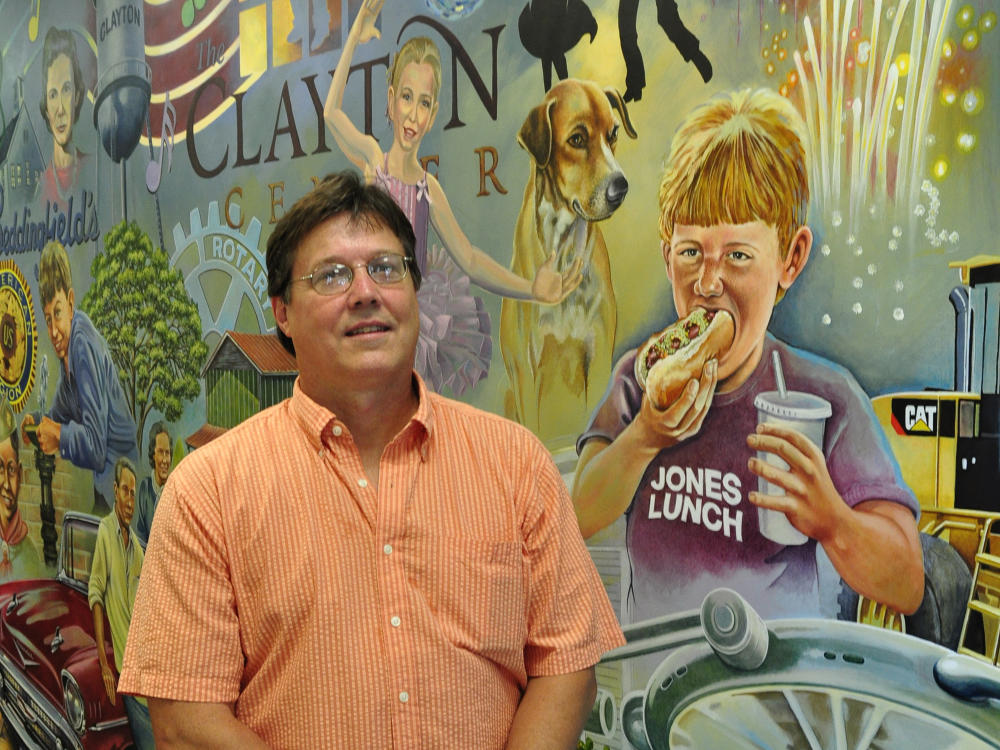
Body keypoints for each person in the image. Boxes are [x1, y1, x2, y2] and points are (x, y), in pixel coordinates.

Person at [118, 171, 624, 749]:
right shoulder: (206, 491)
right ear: (282, 312)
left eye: (386, 268)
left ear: (413, 291)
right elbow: (186, 722)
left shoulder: (515, 464)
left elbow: (568, 661)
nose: (365, 292)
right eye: (332, 275)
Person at [572, 88, 923, 625]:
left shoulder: (826, 395)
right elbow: (578, 514)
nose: (708, 282)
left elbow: (907, 583)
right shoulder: (638, 379)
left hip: (779, 701)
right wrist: (645, 436)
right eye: (691, 253)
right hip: (660, 698)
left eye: (737, 255)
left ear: (790, 258)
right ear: (668, 259)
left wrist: (832, 521)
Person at [324, 0, 582, 393]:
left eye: (424, 103)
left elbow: (472, 260)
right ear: (391, 100)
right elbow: (330, 114)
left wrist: (532, 288)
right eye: (406, 98)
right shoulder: (373, 160)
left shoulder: (429, 190)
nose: (413, 115)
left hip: (409, 322)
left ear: (434, 112)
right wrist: (356, 32)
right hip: (366, 313)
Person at [21, 240, 138, 516]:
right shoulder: (69, 359)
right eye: (48, 319)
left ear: (71, 302)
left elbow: (96, 449)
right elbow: (60, 413)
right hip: (109, 487)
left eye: (58, 313)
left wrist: (59, 437)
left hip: (122, 491)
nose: (53, 330)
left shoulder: (82, 346)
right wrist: (38, 422)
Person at [89, 457, 154, 749]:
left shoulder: (138, 548)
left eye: (133, 493)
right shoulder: (105, 531)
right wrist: (104, 663)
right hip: (127, 669)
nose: (130, 500)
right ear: (115, 491)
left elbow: (151, 592)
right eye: (125, 491)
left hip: (145, 663)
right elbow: (96, 594)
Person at [36, 26, 89, 211]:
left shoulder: (93, 170)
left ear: (76, 95)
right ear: (46, 108)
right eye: (52, 94)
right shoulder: (39, 189)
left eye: (66, 89)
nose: (60, 109)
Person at [0, 397, 43, 582]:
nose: (7, 485)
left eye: (10, 470)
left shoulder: (29, 555)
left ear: (20, 472)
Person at [132, 421, 171, 550]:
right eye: (160, 452)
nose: (165, 460)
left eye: (167, 453)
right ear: (153, 455)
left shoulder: (173, 492)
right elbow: (139, 535)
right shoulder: (144, 488)